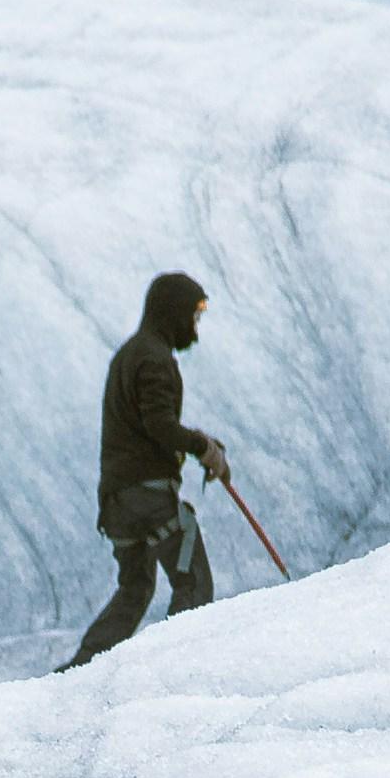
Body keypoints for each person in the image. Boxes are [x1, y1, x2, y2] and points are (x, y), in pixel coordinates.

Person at [67, 272, 233, 667]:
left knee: (135, 588)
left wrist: (197, 446)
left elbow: (147, 424)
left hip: (116, 501)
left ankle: (80, 669)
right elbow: (158, 424)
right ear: (173, 313)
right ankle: (173, 667)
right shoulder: (155, 359)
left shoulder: (129, 355)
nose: (195, 327)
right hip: (148, 495)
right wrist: (203, 447)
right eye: (193, 316)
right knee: (191, 579)